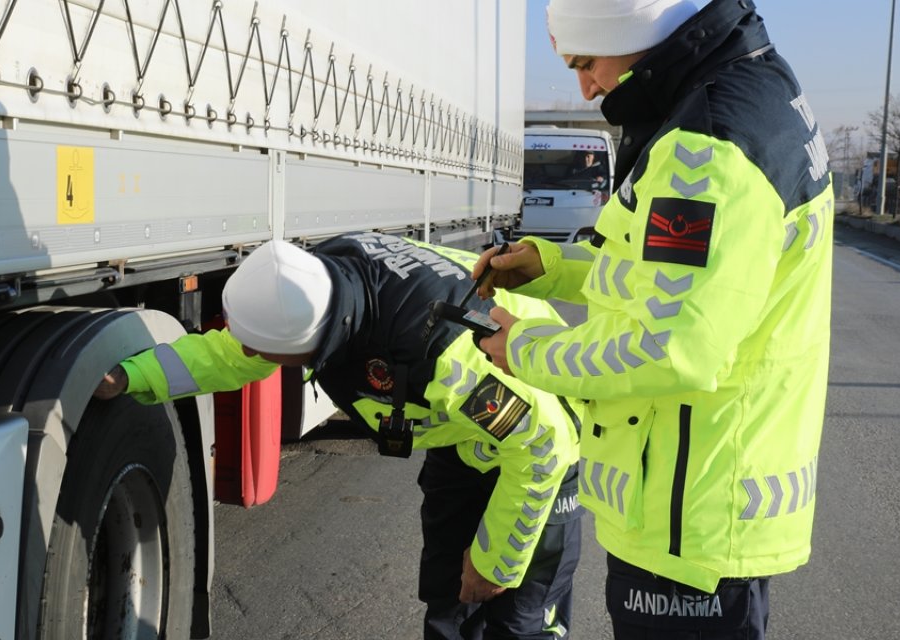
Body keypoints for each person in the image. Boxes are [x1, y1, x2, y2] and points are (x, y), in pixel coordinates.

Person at [473, 0, 834, 637]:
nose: (586, 87)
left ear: (632, 30)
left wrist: (524, 348)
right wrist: (549, 266)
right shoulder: (751, 90)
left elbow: (670, 345)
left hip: (685, 522)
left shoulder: (709, 147)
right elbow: (662, 280)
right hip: (701, 504)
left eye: (586, 62)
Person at [95, 232, 584, 639]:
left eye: (260, 349)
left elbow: (543, 444)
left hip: (539, 443)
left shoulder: (443, 350)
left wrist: (495, 564)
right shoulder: (315, 288)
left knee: (518, 621)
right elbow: (228, 354)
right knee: (448, 607)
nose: (248, 352)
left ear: (307, 343)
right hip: (464, 441)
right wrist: (134, 375)